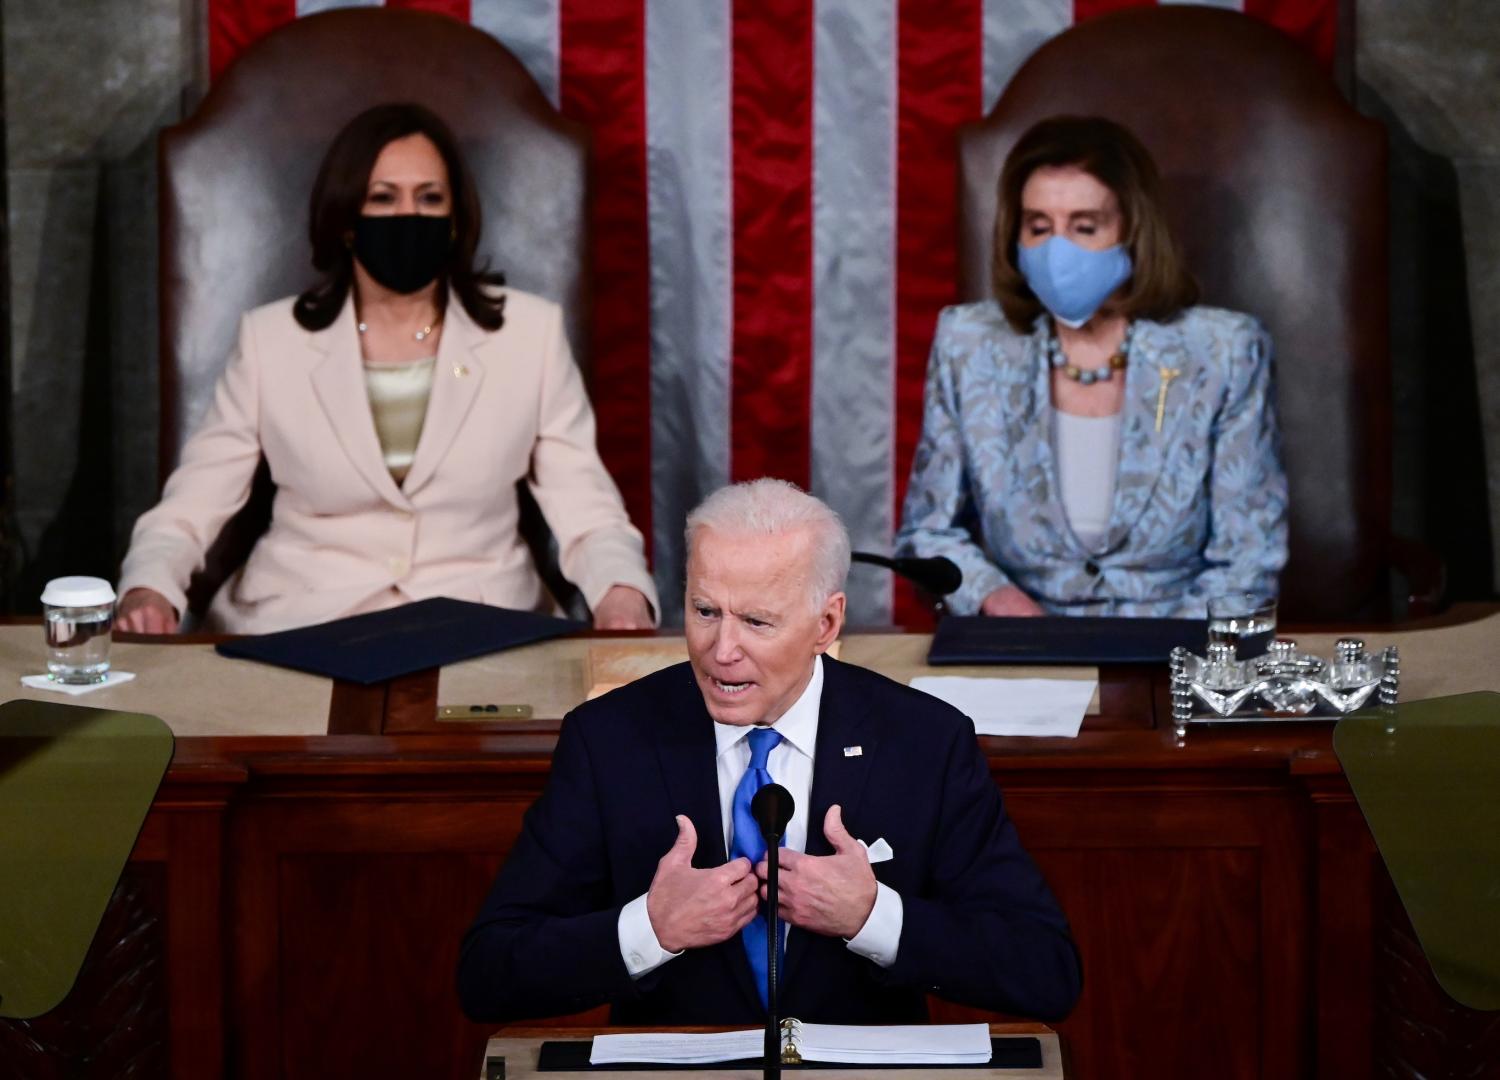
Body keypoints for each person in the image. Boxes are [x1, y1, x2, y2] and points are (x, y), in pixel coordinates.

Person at [458, 478, 1080, 1026]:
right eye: (704, 611)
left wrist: (873, 917)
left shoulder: (923, 742)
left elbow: (1045, 969)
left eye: (756, 622)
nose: (720, 649)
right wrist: (650, 928)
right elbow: (489, 972)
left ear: (826, 625)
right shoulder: (609, 740)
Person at [116, 103, 656, 634]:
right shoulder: (269, 340)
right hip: (300, 621)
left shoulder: (529, 335)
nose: (408, 216)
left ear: (454, 219)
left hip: (484, 624)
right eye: (382, 198)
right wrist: (150, 588)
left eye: (429, 198)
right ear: (347, 219)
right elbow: (191, 506)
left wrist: (621, 592)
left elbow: (589, 512)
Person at [896, 115, 1287, 618]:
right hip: (1024, 651)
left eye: (1085, 226)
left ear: (1133, 231)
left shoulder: (1225, 351)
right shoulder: (967, 344)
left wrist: (1163, 658)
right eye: (1039, 226)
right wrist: (997, 599)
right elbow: (928, 533)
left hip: (1176, 655)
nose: (1058, 250)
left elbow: (1249, 557)